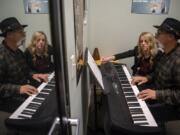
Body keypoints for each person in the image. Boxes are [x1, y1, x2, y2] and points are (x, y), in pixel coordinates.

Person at [131, 18, 180, 124]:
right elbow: (156, 73)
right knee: (132, 93)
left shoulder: (178, 60)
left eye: (159, 32)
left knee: (133, 113)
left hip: (170, 105)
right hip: (156, 91)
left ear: (171, 37)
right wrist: (146, 77)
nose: (156, 35)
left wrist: (157, 94)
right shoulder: (164, 54)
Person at [0, 17, 48, 113]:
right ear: (9, 35)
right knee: (39, 111)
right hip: (8, 100)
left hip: (24, 92)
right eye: (20, 32)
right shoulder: (1, 55)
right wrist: (19, 88)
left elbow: (26, 71)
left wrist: (34, 75)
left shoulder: (19, 52)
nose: (24, 34)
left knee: (46, 102)